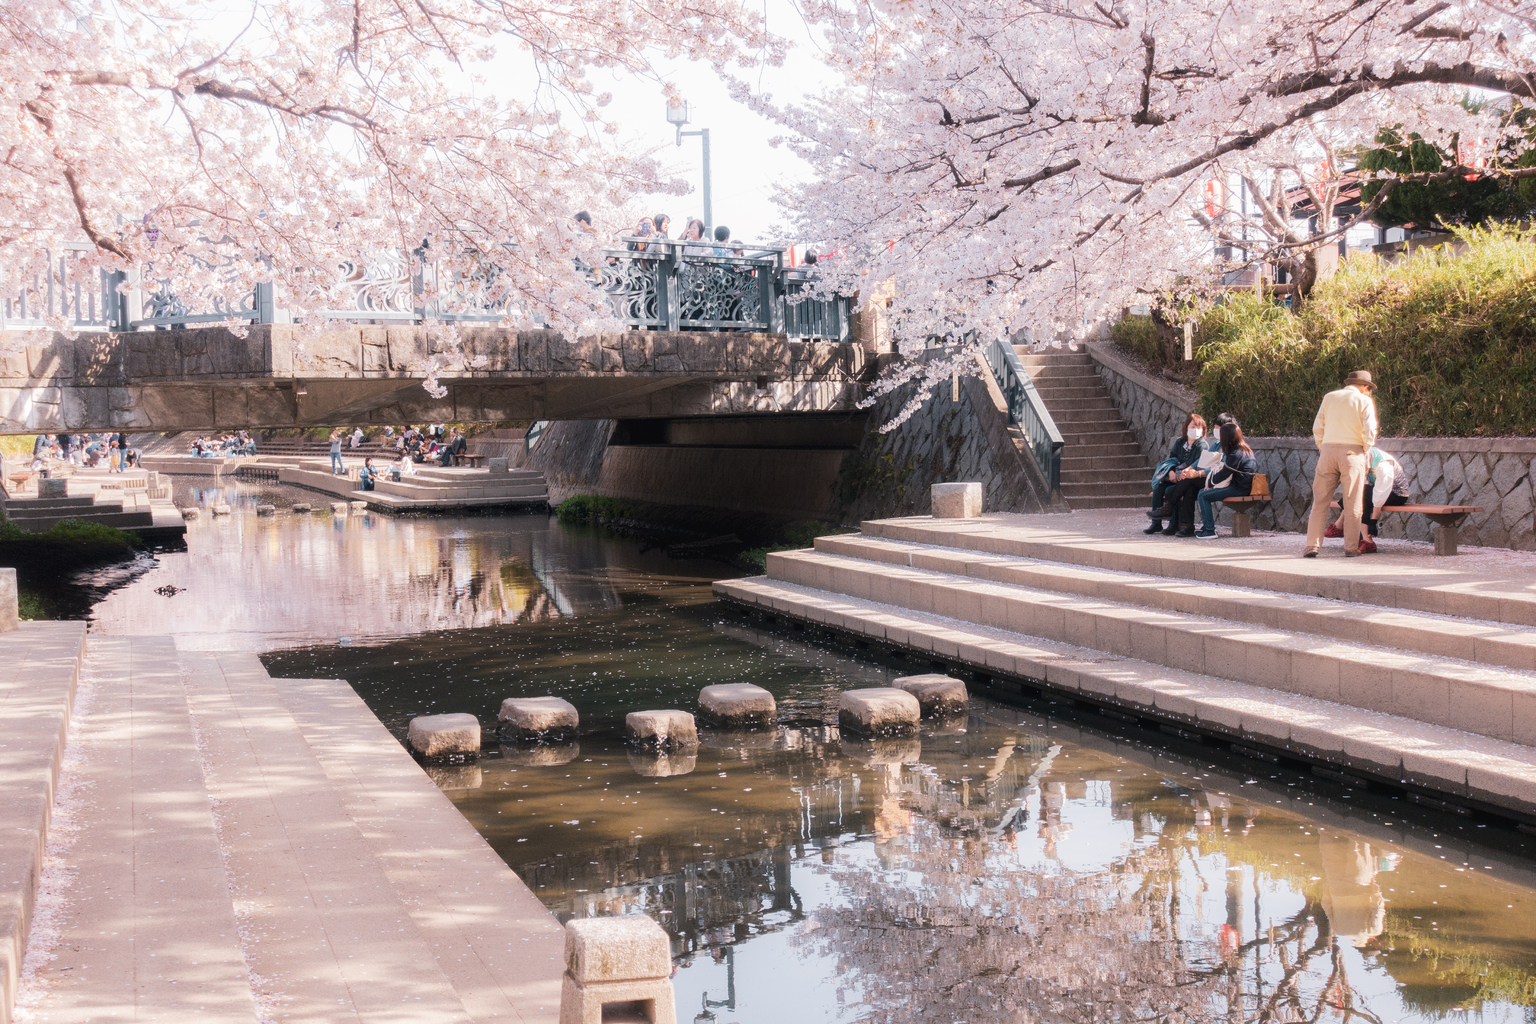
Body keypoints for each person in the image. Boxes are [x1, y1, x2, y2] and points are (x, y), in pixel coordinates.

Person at [1304, 370, 1379, 558]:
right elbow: (1370, 430)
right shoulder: (1364, 401)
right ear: (1364, 386)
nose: (1369, 392)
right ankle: (1351, 547)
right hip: (1353, 452)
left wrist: (1324, 447)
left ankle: (1312, 545)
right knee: (1353, 501)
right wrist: (1365, 448)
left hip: (1328, 452)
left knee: (1320, 501)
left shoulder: (1329, 397)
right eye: (1369, 388)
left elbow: (1317, 427)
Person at [1324, 446, 1408, 553]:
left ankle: (1364, 538)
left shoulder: (1383, 465)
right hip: (1374, 490)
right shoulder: (1361, 457)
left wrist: (1373, 521)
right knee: (1359, 493)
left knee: (1362, 496)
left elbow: (1380, 495)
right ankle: (1362, 538)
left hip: (1397, 494)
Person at [1145, 413, 1210, 535]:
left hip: (1192, 479)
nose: (1195, 430)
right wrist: (1171, 472)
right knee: (1159, 488)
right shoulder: (1180, 442)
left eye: (1198, 427)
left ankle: (1173, 523)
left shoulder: (1202, 445)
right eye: (1192, 426)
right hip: (1176, 477)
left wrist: (1184, 473)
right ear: (1186, 428)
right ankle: (1156, 523)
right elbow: (1171, 460)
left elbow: (1198, 464)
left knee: (1173, 489)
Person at [1195, 421, 1258, 538]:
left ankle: (1209, 530)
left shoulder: (1236, 454)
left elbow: (1223, 474)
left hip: (1239, 489)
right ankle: (1206, 527)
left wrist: (1209, 483)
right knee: (1201, 493)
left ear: (1227, 438)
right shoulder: (1244, 449)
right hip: (1240, 486)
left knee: (1203, 495)